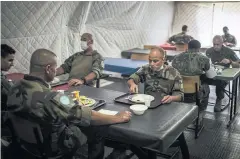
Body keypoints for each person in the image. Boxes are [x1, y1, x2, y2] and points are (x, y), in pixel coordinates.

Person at [7, 49, 132, 159]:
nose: (56, 71)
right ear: (48, 69)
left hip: (25, 144)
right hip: (52, 147)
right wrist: (117, 117)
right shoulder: (52, 97)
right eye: (55, 68)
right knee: (96, 128)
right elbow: (88, 116)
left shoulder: (14, 87)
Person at [172, 40, 215, 111]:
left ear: (188, 47)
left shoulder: (176, 57)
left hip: (179, 89)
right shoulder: (204, 59)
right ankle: (201, 109)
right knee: (206, 85)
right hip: (195, 91)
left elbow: (173, 71)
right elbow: (211, 75)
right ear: (198, 48)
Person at [205, 35, 240, 112]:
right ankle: (204, 98)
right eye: (214, 44)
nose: (216, 46)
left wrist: (230, 61)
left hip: (223, 76)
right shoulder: (209, 51)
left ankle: (219, 99)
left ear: (222, 43)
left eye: (218, 44)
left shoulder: (229, 51)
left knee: (219, 81)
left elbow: (239, 64)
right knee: (201, 79)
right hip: (211, 73)